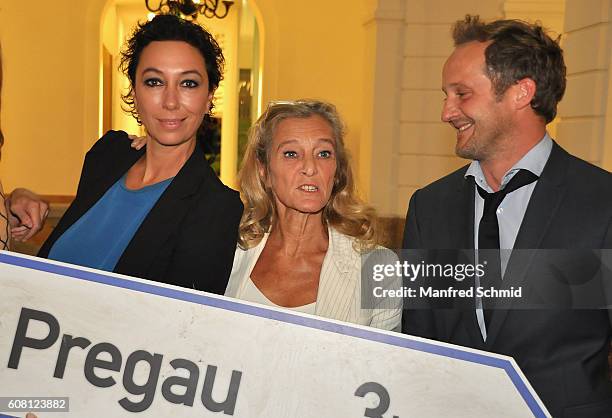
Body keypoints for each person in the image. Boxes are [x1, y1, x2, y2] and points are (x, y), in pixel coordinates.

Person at [402, 15, 612, 416]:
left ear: (521, 92)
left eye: (461, 94)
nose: (446, 112)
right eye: (445, 95)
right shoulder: (429, 207)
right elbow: (419, 341)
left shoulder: (602, 202)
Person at [38, 15, 242, 294]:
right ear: (134, 92)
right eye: (155, 82)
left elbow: (179, 325)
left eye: (189, 84)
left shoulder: (216, 208)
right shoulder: (108, 154)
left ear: (209, 97)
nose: (170, 101)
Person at [224, 100, 401, 330]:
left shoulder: (378, 269)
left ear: (337, 171)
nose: (310, 167)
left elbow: (383, 364)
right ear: (264, 170)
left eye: (324, 153)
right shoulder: (229, 251)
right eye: (291, 153)